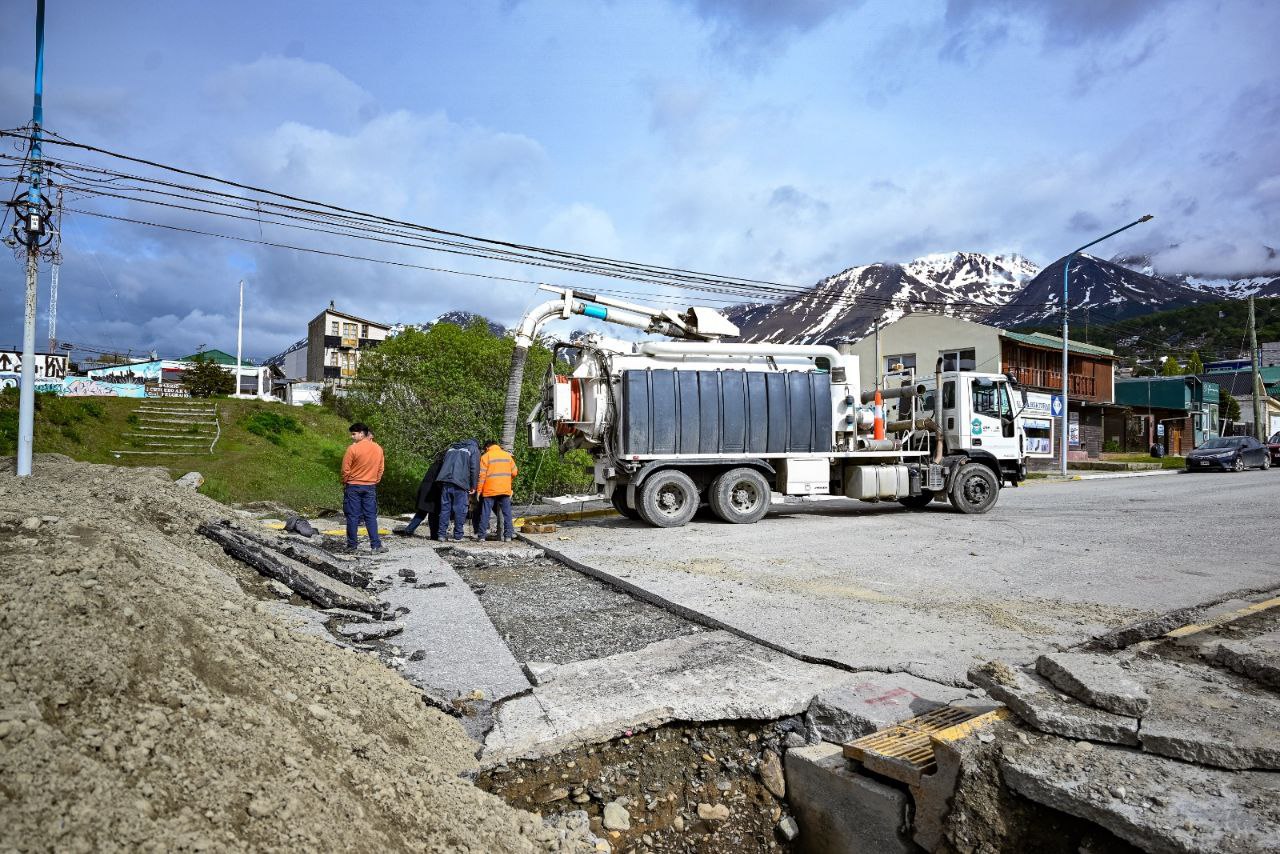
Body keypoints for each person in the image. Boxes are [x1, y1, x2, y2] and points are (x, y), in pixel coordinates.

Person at [341, 422, 386, 554]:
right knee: (371, 516)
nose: (352, 437)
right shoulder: (378, 449)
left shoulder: (352, 449)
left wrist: (345, 481)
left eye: (354, 434)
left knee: (353, 516)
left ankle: (352, 546)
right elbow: (381, 469)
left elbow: (345, 469)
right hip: (370, 486)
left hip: (353, 486)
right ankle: (376, 546)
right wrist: (374, 480)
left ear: (362, 433)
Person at [435, 437, 479, 541]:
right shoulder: (473, 449)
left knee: (445, 509)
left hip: (446, 482)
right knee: (460, 510)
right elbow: (474, 469)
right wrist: (473, 486)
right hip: (461, 483)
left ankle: (441, 535)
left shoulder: (451, 448)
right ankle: (458, 536)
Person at [394, 452, 444, 539]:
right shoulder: (442, 467)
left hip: (425, 489)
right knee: (434, 514)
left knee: (422, 512)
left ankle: (409, 530)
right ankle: (434, 535)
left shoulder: (435, 464)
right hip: (432, 491)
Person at [477, 439, 519, 542]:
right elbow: (514, 472)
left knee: (485, 513)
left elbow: (481, 476)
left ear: (487, 448)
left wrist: (478, 491)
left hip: (489, 489)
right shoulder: (507, 456)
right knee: (507, 513)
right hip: (504, 489)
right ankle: (508, 536)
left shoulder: (485, 457)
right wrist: (506, 480)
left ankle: (482, 536)